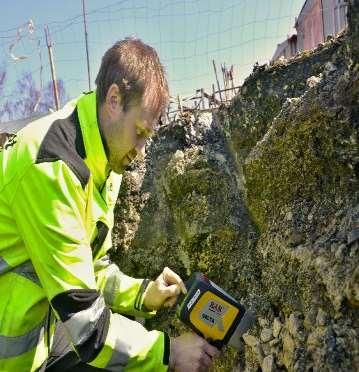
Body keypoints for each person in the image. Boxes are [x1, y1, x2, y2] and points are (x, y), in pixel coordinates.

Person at [0, 38, 219, 371]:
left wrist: (144, 294)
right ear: (114, 99)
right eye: (141, 132)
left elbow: (90, 269)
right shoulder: (52, 168)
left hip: (40, 343)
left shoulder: (103, 158)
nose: (143, 149)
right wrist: (169, 353)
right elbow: (87, 327)